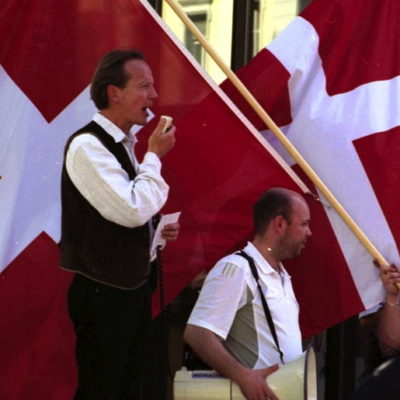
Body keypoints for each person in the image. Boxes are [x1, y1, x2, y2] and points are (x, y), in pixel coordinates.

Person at [59, 49, 179, 400]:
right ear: (115, 93)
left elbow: (126, 215)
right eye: (145, 86)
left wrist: (154, 235)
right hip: (103, 294)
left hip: (128, 291)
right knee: (102, 390)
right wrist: (154, 157)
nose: (154, 96)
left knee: (128, 389)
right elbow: (130, 209)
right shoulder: (87, 145)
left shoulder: (124, 145)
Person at [184, 187, 312, 400]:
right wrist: (242, 376)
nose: (309, 232)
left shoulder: (280, 274)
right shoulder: (237, 269)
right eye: (304, 224)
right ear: (279, 224)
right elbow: (197, 332)